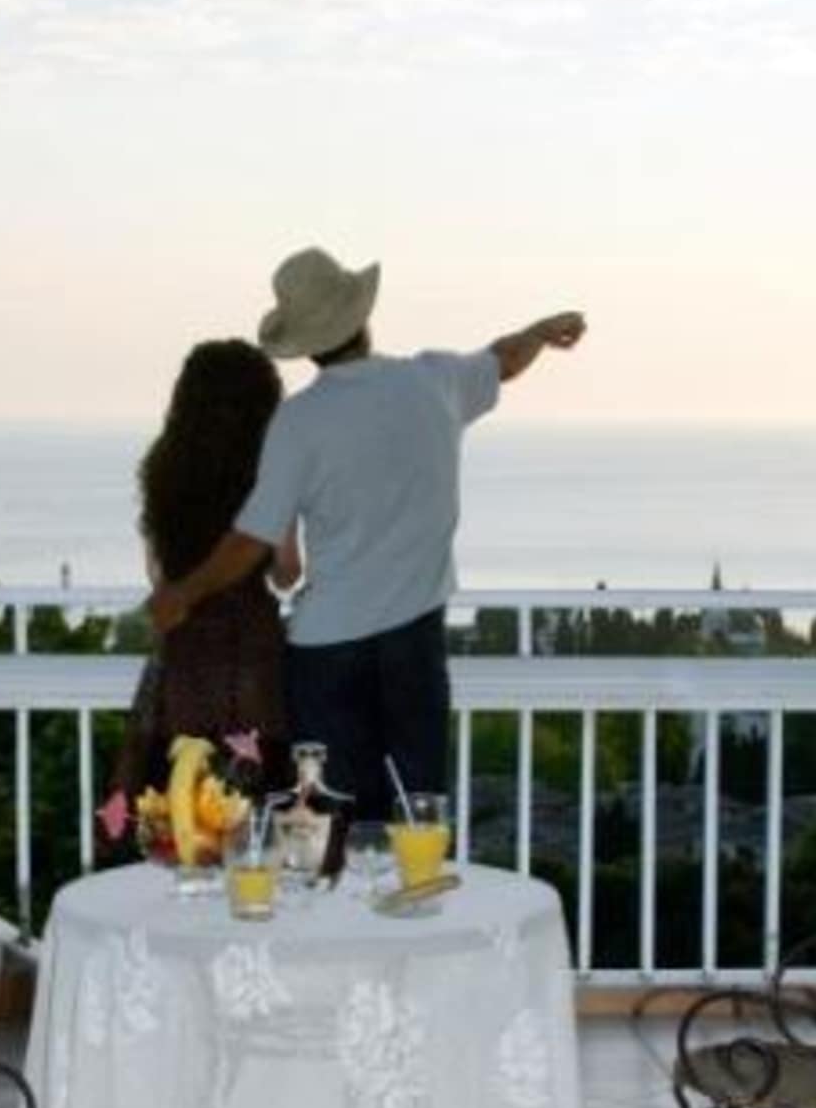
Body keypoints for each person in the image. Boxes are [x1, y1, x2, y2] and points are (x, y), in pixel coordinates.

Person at [150, 248, 586, 820]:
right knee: (417, 815)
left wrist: (183, 593)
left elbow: (253, 537)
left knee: (336, 821)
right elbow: (502, 359)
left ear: (306, 345)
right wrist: (538, 333)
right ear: (362, 318)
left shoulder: (299, 421)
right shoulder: (435, 381)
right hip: (416, 640)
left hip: (327, 654)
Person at [99, 339, 296, 841]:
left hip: (186, 646)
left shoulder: (163, 467)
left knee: (178, 792)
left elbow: (157, 574)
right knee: (253, 794)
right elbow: (287, 572)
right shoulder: (271, 472)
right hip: (250, 651)